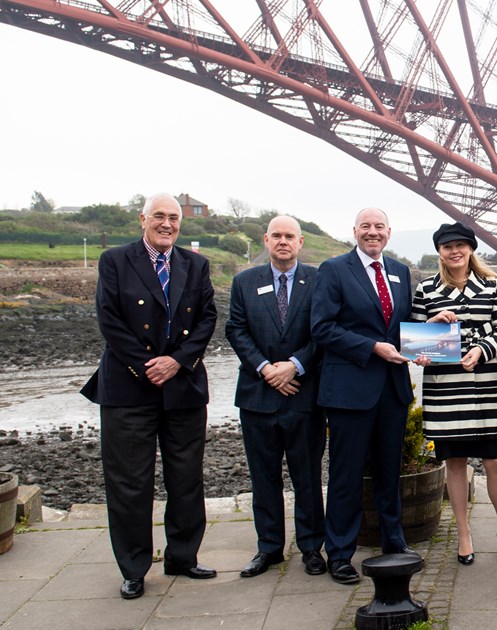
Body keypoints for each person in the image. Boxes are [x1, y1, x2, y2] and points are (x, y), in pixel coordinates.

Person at [81, 192, 219, 600]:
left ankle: (183, 556)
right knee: (129, 483)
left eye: (173, 218)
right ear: (142, 219)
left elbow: (208, 318)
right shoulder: (115, 260)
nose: (167, 224)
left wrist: (176, 362)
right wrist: (146, 365)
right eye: (159, 216)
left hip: (183, 384)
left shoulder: (196, 264)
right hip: (128, 387)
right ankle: (135, 567)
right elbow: (109, 318)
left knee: (186, 478)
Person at [311, 207, 417, 585]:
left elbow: (402, 326)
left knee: (390, 472)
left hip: (391, 388)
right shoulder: (334, 270)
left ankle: (394, 542)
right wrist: (373, 347)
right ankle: (339, 554)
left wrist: (428, 330)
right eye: (366, 227)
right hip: (349, 391)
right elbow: (322, 328)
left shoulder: (401, 272)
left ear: (389, 232)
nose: (373, 233)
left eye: (379, 227)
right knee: (345, 475)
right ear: (354, 231)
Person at [225, 215, 327, 579]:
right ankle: (268, 549)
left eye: (290, 236)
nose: (283, 242)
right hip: (258, 396)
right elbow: (235, 329)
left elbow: (325, 330)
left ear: (301, 243)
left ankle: (312, 548)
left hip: (304, 395)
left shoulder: (318, 281)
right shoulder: (243, 282)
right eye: (277, 236)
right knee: (264, 478)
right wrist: (267, 368)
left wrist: (295, 365)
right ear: (266, 241)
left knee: (308, 477)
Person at [411, 222, 497, 566]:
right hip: (445, 390)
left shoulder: (492, 285)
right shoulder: (426, 289)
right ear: (439, 251)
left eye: (460, 245)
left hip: (484, 384)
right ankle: (464, 533)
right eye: (447, 246)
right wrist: (430, 329)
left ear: (471, 248)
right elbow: (414, 342)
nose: (454, 251)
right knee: (454, 464)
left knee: (496, 463)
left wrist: (481, 347)